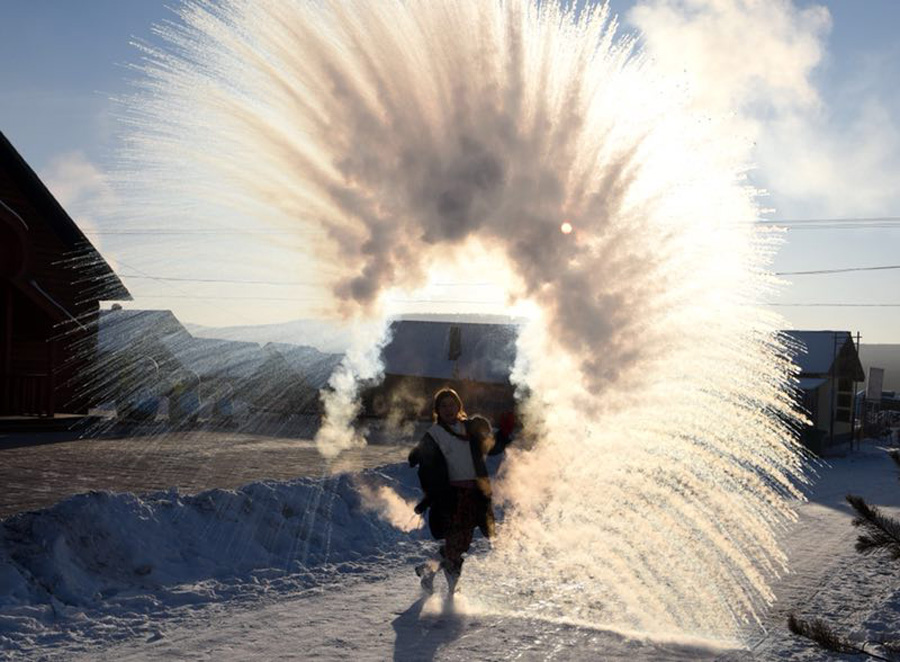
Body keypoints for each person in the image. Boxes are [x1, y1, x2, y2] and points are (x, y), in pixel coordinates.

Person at [408, 388, 496, 594]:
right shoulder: (435, 434)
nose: (449, 409)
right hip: (450, 497)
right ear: (437, 410)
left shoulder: (468, 429)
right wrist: (417, 455)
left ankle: (428, 571)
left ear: (459, 406)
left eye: (452, 404)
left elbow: (487, 442)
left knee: (462, 543)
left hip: (473, 495)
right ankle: (451, 588)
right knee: (455, 544)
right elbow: (423, 455)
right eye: (444, 405)